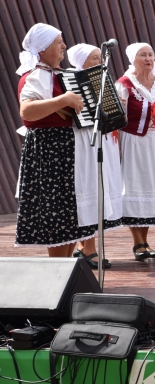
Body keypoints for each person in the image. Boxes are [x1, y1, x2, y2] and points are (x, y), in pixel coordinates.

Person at [14, 24, 98, 256]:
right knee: (58, 215)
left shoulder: (58, 74)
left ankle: (66, 271)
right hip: (51, 151)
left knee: (69, 216)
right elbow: (27, 112)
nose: (64, 46)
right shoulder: (37, 75)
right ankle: (59, 275)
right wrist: (64, 100)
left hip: (66, 150)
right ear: (42, 48)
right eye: (58, 42)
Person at [66, 43, 123, 268]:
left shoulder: (103, 81)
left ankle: (87, 246)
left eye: (100, 57)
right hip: (84, 141)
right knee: (89, 188)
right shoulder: (72, 80)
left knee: (100, 189)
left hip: (103, 140)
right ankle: (87, 247)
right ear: (81, 62)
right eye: (93, 58)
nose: (99, 62)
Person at [115, 42, 155, 261]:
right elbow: (118, 121)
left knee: (150, 187)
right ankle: (138, 242)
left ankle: (145, 240)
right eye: (143, 55)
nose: (148, 58)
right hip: (133, 141)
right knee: (135, 187)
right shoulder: (124, 85)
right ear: (133, 59)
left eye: (151, 54)